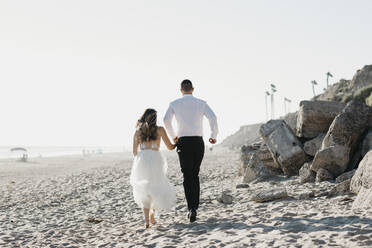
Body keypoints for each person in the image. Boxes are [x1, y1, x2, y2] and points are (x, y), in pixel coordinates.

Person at [163, 79, 218, 223]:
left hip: (183, 142)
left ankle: (191, 208)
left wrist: (173, 136)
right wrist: (213, 136)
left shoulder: (174, 104)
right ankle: (195, 207)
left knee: (187, 176)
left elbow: (166, 120)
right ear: (192, 89)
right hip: (198, 142)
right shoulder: (201, 103)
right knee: (195, 174)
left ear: (181, 90)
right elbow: (213, 117)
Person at [130, 108, 177, 228]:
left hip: (142, 160)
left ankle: (146, 221)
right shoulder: (160, 130)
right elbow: (170, 147)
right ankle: (152, 216)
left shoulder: (138, 132)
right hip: (156, 159)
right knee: (156, 187)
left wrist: (143, 156)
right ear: (155, 119)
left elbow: (135, 152)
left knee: (144, 188)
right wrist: (177, 141)